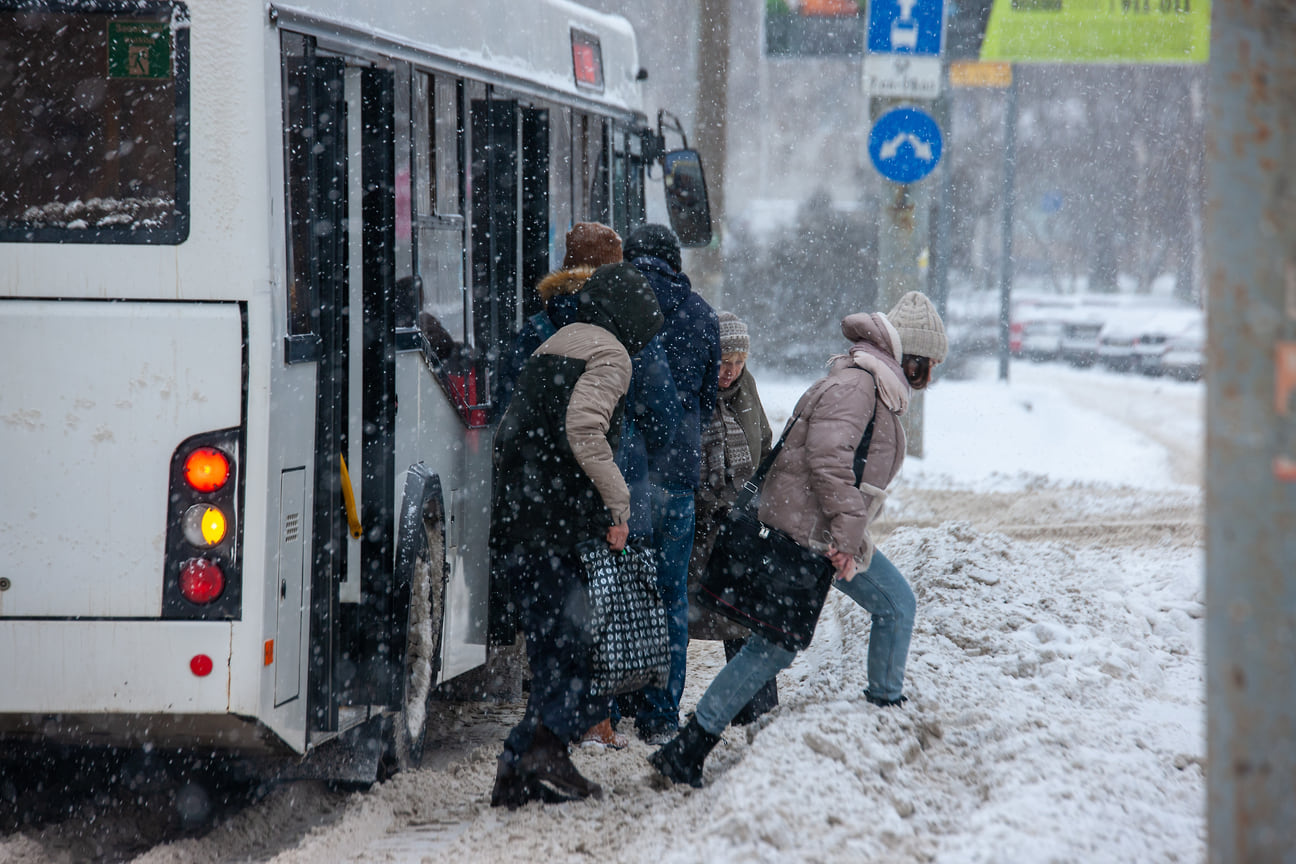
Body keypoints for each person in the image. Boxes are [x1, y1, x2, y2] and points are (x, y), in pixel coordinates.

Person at [649, 291, 948, 788]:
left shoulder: (876, 385)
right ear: (910, 357)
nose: (931, 376)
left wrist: (848, 536)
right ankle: (691, 746)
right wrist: (846, 539)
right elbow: (829, 461)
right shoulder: (859, 385)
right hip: (807, 537)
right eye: (929, 365)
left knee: (891, 606)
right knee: (772, 648)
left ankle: (882, 706)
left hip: (826, 533)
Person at [489, 262, 663, 808]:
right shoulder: (611, 354)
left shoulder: (558, 342)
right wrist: (619, 506)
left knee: (551, 649)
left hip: (524, 519)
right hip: (554, 527)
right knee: (573, 649)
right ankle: (535, 752)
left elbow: (513, 432)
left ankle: (522, 767)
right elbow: (584, 427)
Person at [622, 223, 721, 743]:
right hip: (678, 477)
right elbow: (707, 403)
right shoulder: (704, 315)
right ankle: (660, 715)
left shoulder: (613, 305)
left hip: (622, 479)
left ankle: (610, 710)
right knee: (669, 598)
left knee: (617, 590)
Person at [687, 311, 779, 725]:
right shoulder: (691, 387)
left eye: (739, 363)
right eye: (724, 362)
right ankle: (651, 709)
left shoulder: (747, 387)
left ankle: (754, 707)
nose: (730, 371)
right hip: (698, 521)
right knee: (682, 611)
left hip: (739, 520)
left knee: (744, 615)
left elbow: (764, 438)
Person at [495, 221, 626, 412]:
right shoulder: (634, 325)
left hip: (548, 441)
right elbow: (663, 415)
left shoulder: (537, 329)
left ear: (567, 267)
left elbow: (508, 405)